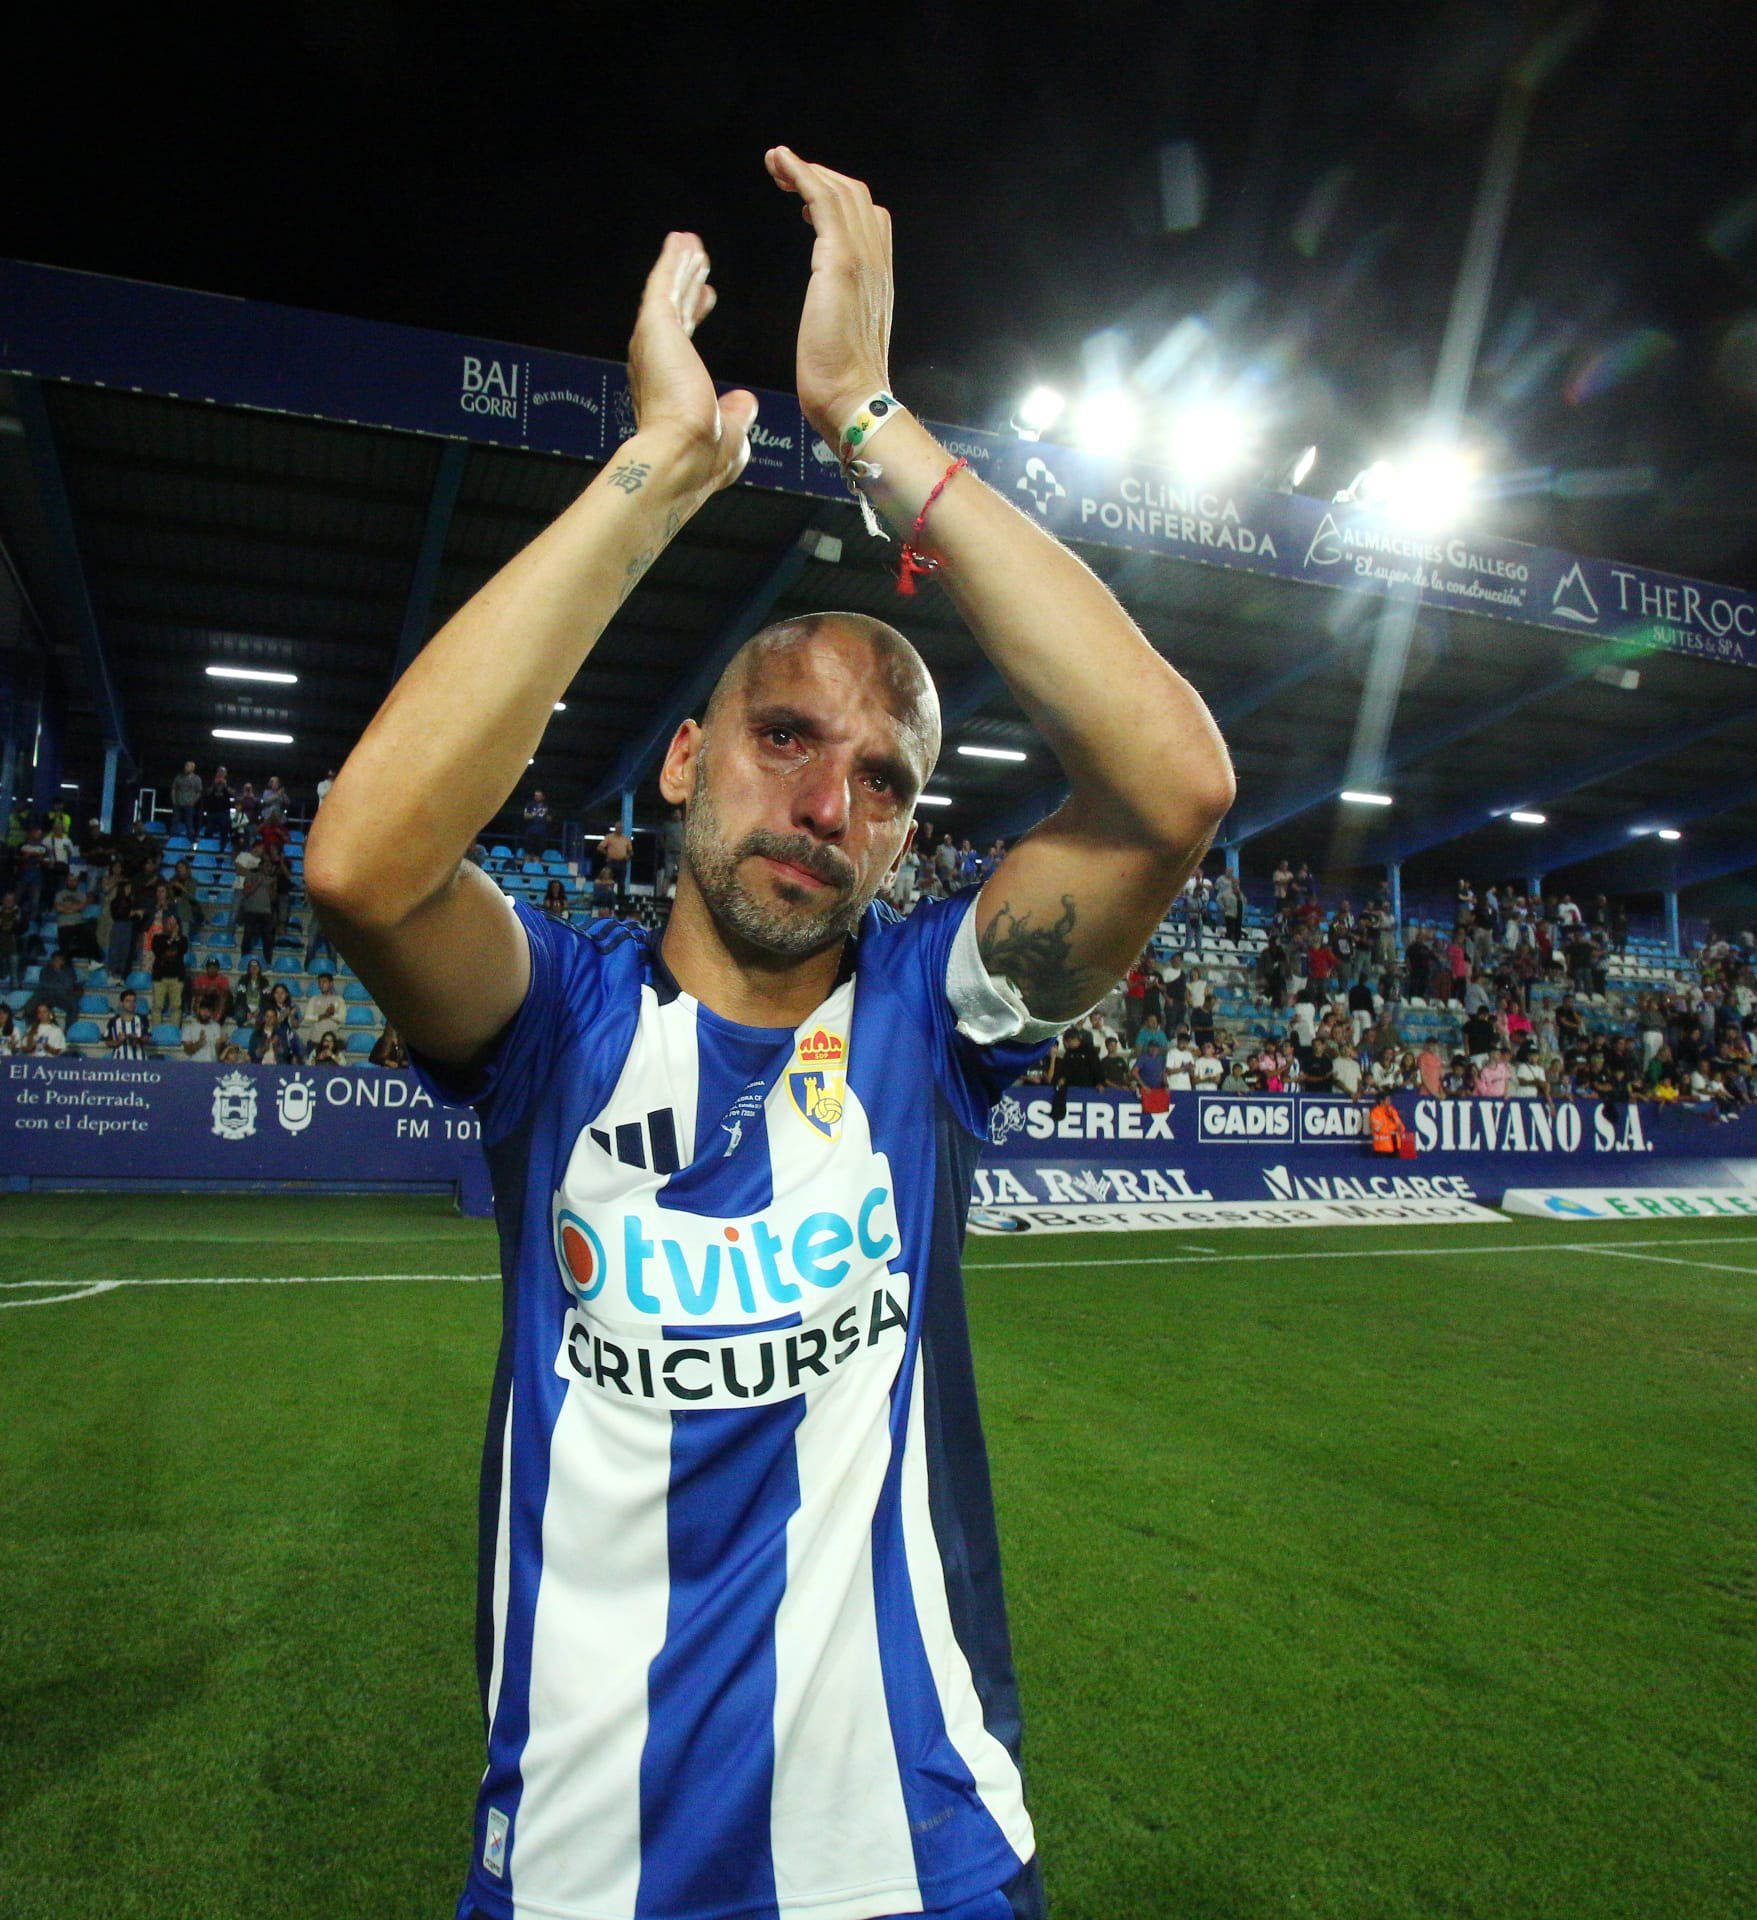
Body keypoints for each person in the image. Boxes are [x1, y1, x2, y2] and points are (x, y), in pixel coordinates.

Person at [304, 157, 1236, 1920]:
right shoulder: (553, 1025)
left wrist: (868, 419)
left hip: (920, 1859)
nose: (828, 800)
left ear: (904, 838)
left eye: (883, 781)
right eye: (785, 738)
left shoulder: (924, 1023)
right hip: (585, 1875)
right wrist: (660, 468)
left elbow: (1175, 782)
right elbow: (359, 862)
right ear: (682, 761)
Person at [105, 987, 152, 1061]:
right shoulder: (113, 1021)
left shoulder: (143, 1019)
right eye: (128, 1001)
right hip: (119, 1062)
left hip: (140, 1061)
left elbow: (148, 1039)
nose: (131, 1004)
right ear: (121, 1003)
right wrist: (119, 1041)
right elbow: (108, 1042)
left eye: (134, 1001)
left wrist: (137, 1039)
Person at [600, 821, 634, 906]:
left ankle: (620, 902)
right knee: (608, 881)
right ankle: (607, 899)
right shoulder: (609, 837)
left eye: (621, 828)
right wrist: (607, 854)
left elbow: (631, 852)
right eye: (618, 828)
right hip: (612, 862)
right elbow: (600, 847)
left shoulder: (626, 839)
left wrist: (628, 856)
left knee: (621, 883)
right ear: (615, 828)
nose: (620, 829)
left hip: (622, 862)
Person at [170, 761, 203, 839]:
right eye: (185, 766)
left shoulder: (197, 779)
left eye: (188, 766)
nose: (186, 767)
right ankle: (172, 838)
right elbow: (174, 789)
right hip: (178, 803)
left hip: (189, 804)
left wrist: (193, 802)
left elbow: (199, 792)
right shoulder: (179, 777)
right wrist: (174, 800)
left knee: (189, 823)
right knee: (175, 821)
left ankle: (190, 839)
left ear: (192, 768)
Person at [1369, 1088, 1407, 1156]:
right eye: (1388, 1099)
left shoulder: (1392, 1110)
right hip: (1381, 1148)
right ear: (1381, 1101)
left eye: (1390, 1099)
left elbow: (1401, 1127)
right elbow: (1378, 1129)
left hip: (1395, 1147)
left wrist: (1396, 1122)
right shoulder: (1375, 1112)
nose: (1390, 1101)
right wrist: (1392, 1127)